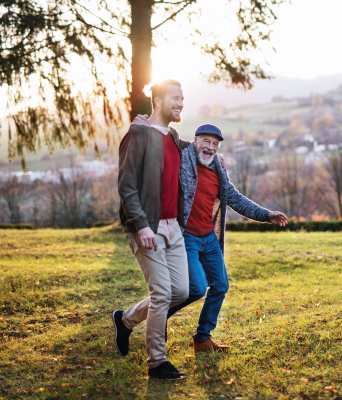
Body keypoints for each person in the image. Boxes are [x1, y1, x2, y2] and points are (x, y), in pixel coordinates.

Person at [129, 115, 288, 352]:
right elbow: (164, 143)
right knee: (194, 289)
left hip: (209, 238)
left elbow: (236, 199)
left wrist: (266, 215)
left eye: (215, 144)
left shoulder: (218, 171)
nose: (210, 147)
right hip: (187, 237)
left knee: (221, 286)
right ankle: (158, 318)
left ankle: (202, 338)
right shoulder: (184, 158)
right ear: (195, 141)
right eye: (206, 141)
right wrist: (144, 129)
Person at [112, 79, 190, 380]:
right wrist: (142, 226)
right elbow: (126, 185)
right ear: (157, 101)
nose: (180, 103)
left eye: (183, 98)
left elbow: (194, 154)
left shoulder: (173, 137)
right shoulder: (138, 134)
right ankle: (157, 362)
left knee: (181, 290)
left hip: (173, 227)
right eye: (174, 98)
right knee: (162, 292)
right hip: (147, 226)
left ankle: (125, 320)